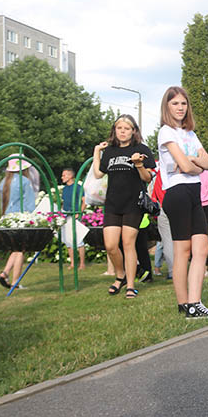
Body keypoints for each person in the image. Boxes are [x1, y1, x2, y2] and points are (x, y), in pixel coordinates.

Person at [157, 86, 208, 319]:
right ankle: (184, 304)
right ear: (167, 106)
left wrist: (193, 160)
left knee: (202, 249)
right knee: (182, 251)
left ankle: (195, 303)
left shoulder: (190, 134)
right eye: (175, 103)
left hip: (195, 192)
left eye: (183, 103)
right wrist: (194, 164)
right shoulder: (166, 132)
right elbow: (187, 168)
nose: (180, 107)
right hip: (177, 193)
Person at [93, 114, 155, 299]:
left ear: (133, 131)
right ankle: (120, 274)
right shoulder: (110, 151)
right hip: (112, 204)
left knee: (128, 244)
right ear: (115, 130)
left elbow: (147, 178)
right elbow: (97, 174)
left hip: (133, 204)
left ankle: (130, 285)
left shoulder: (141, 149)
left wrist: (138, 165)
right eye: (119, 128)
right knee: (111, 245)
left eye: (127, 128)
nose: (122, 131)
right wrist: (97, 152)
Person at [0, 156, 38, 288]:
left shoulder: (4, 182)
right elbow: (29, 203)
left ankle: (4, 273)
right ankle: (15, 282)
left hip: (7, 219)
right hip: (20, 218)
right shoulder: (24, 181)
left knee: (15, 249)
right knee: (21, 250)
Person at [60, 168, 87, 270]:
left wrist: (79, 212)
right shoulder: (65, 189)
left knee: (78, 239)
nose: (62, 177)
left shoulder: (78, 187)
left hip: (75, 215)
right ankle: (72, 263)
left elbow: (85, 201)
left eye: (64, 175)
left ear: (70, 176)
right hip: (66, 215)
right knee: (68, 240)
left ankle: (82, 264)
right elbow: (64, 202)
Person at [150, 162, 172, 279]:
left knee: (166, 242)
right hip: (178, 206)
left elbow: (154, 195)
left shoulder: (159, 175)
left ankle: (172, 271)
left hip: (163, 207)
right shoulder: (176, 171)